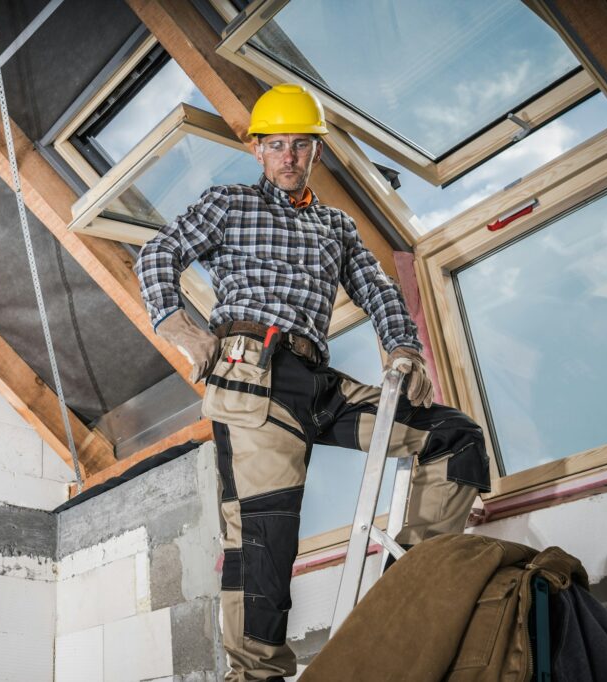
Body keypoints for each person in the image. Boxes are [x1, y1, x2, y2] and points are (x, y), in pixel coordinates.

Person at [134, 84, 491, 681]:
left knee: (455, 437)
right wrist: (188, 334)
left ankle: (409, 584)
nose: (289, 156)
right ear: (258, 151)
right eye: (277, 146)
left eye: (300, 145)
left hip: (317, 384)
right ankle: (256, 677)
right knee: (265, 548)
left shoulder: (336, 225)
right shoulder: (229, 204)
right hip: (252, 380)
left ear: (315, 152)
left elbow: (377, 290)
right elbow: (156, 257)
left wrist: (404, 348)